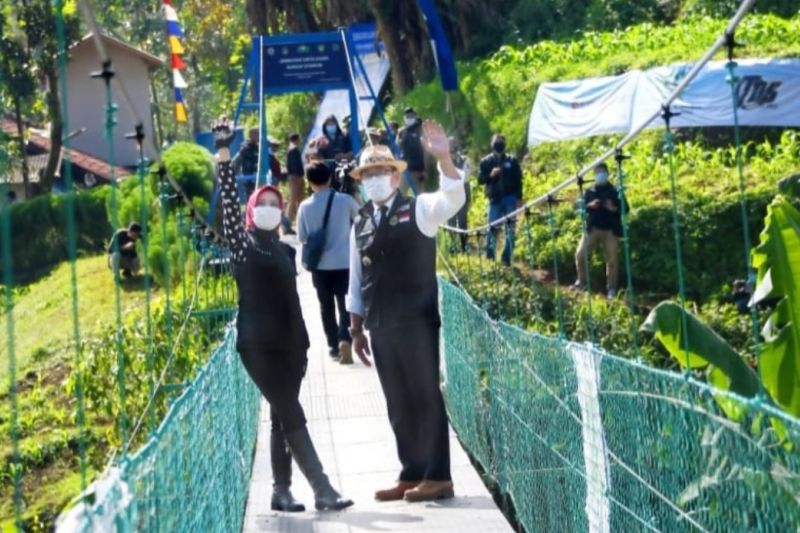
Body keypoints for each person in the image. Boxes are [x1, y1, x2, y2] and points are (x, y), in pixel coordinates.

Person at [212, 117, 352, 513]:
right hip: (258, 346)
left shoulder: (286, 251)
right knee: (291, 412)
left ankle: (281, 490)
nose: (272, 208)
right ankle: (322, 488)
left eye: (276, 203)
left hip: (293, 347)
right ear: (253, 212)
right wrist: (224, 151)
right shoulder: (244, 248)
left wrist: (306, 346)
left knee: (281, 415)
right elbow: (226, 199)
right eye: (264, 204)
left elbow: (293, 301)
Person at [346, 121, 465, 503]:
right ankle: (411, 471)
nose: (376, 179)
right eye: (369, 174)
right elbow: (355, 277)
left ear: (396, 178)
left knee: (424, 394)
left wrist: (443, 158)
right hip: (380, 323)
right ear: (362, 181)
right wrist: (356, 326)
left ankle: (438, 475)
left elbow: (452, 200)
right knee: (397, 400)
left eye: (382, 172)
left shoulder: (420, 210)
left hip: (416, 321)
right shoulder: (360, 221)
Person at [297, 162, 360, 364]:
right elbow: (361, 221)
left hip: (320, 266)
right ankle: (345, 338)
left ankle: (333, 347)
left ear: (309, 182)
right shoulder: (345, 200)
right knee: (345, 303)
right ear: (330, 178)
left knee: (325, 306)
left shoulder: (304, 207)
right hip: (345, 262)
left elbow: (302, 236)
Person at [573, 162, 628, 298]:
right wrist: (589, 205)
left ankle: (612, 289)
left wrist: (613, 208)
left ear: (607, 173)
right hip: (593, 228)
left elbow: (626, 209)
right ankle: (582, 282)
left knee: (612, 261)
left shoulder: (615, 191)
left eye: (602, 172)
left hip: (610, 230)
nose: (600, 175)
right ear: (594, 175)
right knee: (580, 255)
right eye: (597, 173)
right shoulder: (589, 192)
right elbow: (578, 207)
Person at [478, 133, 523, 266]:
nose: (499, 144)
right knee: (492, 228)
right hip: (495, 199)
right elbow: (480, 179)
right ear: (492, 144)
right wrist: (490, 175)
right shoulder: (486, 161)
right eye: (496, 141)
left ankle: (506, 258)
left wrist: (519, 198)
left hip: (510, 197)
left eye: (501, 141)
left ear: (505, 144)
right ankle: (490, 257)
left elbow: (518, 180)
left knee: (510, 229)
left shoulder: (512, 160)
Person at [446, 137, 471, 252]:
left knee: (462, 221)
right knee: (450, 222)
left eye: (454, 144)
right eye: (450, 144)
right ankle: (452, 245)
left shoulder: (465, 160)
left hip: (462, 195)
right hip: (449, 196)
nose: (452, 146)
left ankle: (464, 245)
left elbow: (465, 178)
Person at [397, 107, 425, 194]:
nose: (409, 118)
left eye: (411, 115)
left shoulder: (421, 129)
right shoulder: (402, 132)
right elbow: (398, 148)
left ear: (415, 116)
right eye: (407, 116)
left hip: (417, 170)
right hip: (405, 169)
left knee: (419, 196)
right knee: (400, 195)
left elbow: (425, 151)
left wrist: (425, 169)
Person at [285, 133, 306, 224]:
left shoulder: (292, 150)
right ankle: (287, 222)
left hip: (296, 177)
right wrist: (296, 177)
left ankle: (300, 220)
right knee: (293, 200)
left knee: (300, 199)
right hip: (295, 177)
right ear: (296, 140)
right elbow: (294, 166)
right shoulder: (293, 150)